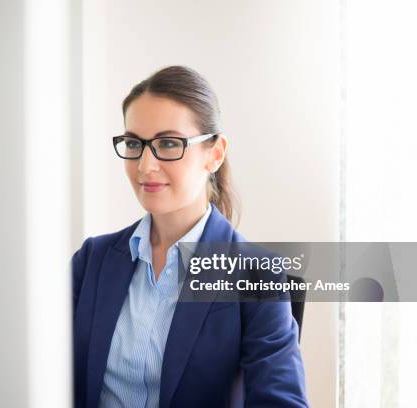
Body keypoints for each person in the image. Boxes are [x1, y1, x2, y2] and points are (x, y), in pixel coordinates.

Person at [71, 66, 308, 408]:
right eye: (135, 143)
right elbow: (40, 369)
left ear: (214, 153)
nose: (145, 165)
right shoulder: (92, 260)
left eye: (168, 143)